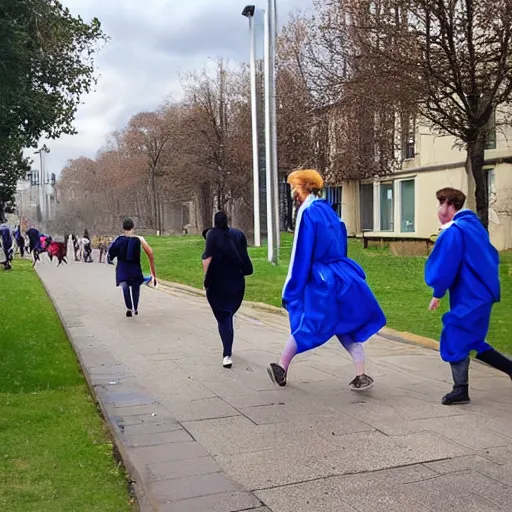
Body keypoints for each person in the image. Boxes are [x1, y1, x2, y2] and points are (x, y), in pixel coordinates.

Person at [267, 169, 386, 390]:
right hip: (342, 273)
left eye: (295, 185)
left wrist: (292, 288)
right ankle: (361, 374)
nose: (293, 190)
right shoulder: (328, 210)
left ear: (305, 187)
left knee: (310, 321)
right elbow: (341, 238)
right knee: (345, 324)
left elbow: (301, 254)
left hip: (321, 278)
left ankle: (281, 367)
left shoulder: (308, 213)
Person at [425, 187, 512, 405]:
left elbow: (446, 265)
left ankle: (460, 389)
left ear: (448, 205)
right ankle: (509, 369)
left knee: (455, 334)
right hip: (481, 293)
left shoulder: (455, 231)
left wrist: (438, 293)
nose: (440, 209)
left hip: (470, 295)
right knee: (471, 339)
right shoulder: (474, 227)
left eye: (441, 203)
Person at [202, 211, 253, 368]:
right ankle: (229, 329)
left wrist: (206, 278)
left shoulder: (212, 235)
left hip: (218, 283)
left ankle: (227, 354)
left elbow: (207, 258)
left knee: (223, 318)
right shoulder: (238, 235)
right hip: (237, 281)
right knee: (229, 313)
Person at [107, 218, 157, 317]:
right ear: (133, 227)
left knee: (124, 286)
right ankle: (135, 308)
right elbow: (150, 253)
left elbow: (111, 252)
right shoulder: (139, 239)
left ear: (123, 228)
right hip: (134, 267)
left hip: (122, 267)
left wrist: (111, 259)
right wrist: (153, 273)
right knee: (135, 288)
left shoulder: (119, 239)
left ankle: (129, 307)